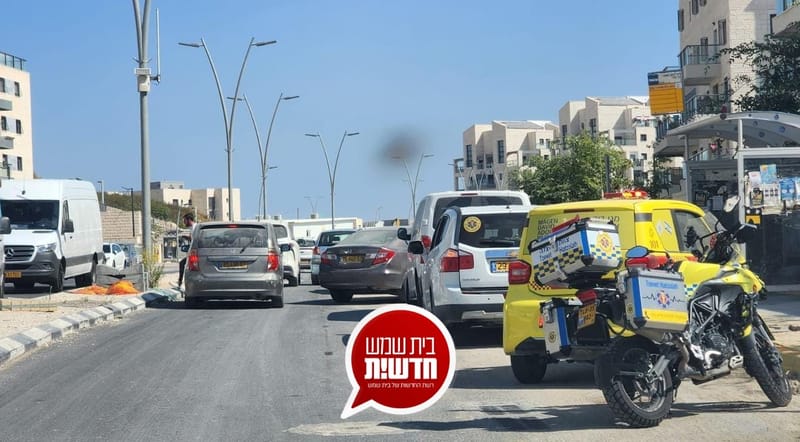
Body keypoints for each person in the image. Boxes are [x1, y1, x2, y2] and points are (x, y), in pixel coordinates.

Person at [176, 212, 196, 288]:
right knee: (183, 264)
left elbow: (194, 240)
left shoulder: (195, 228)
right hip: (192, 253)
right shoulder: (193, 228)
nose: (184, 222)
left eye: (185, 220)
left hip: (194, 253)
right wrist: (185, 237)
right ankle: (181, 282)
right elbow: (192, 239)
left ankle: (180, 282)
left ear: (189, 220)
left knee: (182, 264)